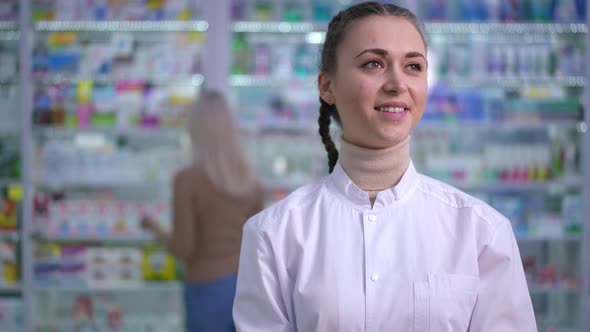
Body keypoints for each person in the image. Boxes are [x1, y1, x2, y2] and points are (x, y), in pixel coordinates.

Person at [232, 2, 537, 331]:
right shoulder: (274, 234)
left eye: (413, 66)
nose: (397, 83)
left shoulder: (483, 232)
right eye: (373, 63)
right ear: (327, 86)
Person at [141, 90, 264, 332]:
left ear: (195, 132)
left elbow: (183, 249)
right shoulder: (251, 182)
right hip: (246, 286)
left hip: (206, 288)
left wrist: (154, 227)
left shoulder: (187, 181)